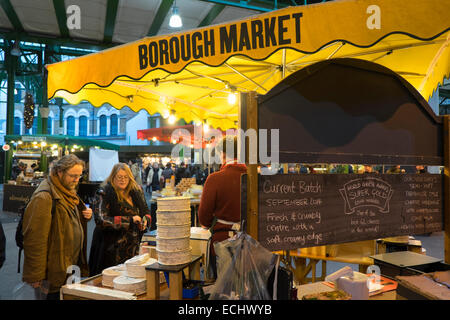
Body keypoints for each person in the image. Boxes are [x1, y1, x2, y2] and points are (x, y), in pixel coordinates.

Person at [22, 154, 93, 300]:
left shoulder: (65, 190)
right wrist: (36, 275)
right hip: (52, 273)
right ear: (59, 172)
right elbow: (35, 240)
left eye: (79, 175)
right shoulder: (44, 197)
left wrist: (84, 214)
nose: (77, 180)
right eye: (73, 175)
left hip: (68, 268)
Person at [89, 163, 151, 276]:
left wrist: (145, 220)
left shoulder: (136, 191)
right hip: (110, 249)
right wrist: (130, 220)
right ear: (113, 177)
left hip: (132, 248)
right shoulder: (103, 193)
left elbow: (146, 211)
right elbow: (102, 220)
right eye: (119, 177)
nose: (123, 180)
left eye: (126, 177)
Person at [198, 136, 247, 279]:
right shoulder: (254, 176)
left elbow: (204, 218)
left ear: (223, 154)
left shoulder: (214, 179)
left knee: (223, 289)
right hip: (250, 242)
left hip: (222, 242)